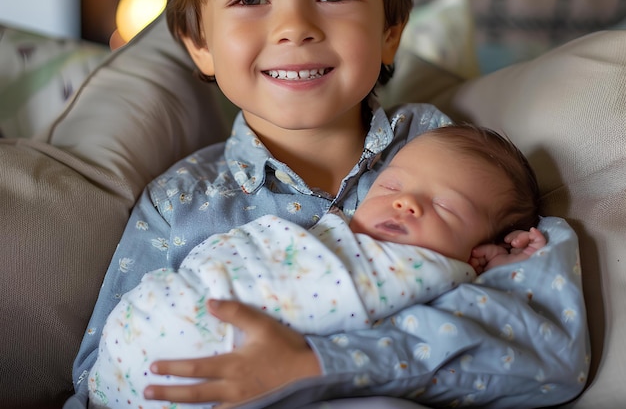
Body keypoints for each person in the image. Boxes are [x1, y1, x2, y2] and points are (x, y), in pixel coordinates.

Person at [66, 0, 587, 409]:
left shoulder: (456, 161)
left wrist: (323, 366)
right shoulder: (181, 205)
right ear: (199, 43)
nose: (295, 27)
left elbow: (548, 344)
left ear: (391, 31)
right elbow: (101, 378)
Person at [86, 124, 546, 408]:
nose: (405, 201)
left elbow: (541, 352)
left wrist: (313, 366)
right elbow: (90, 370)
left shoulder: (433, 134)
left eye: (445, 207)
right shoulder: (177, 200)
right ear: (198, 44)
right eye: (390, 188)